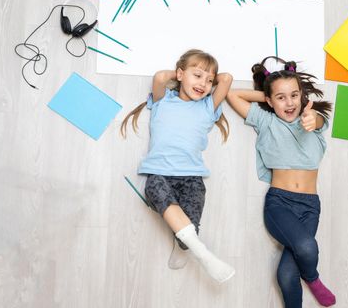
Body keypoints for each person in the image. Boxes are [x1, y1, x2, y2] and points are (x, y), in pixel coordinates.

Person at [226, 56, 336, 307]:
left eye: (294, 95)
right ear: (269, 100)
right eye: (281, 97)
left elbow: (318, 121)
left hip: (310, 206)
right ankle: (313, 278)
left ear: (302, 97)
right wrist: (267, 94)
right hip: (280, 204)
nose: (289, 103)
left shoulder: (313, 120)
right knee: (307, 248)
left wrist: (311, 117)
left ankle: (303, 280)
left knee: (286, 276)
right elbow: (233, 96)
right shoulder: (266, 121)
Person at [121, 49, 235, 284]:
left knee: (185, 239)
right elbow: (161, 77)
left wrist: (199, 76)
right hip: (160, 173)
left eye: (208, 80)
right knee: (154, 189)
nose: (204, 83)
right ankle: (203, 254)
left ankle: (187, 244)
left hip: (192, 177)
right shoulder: (163, 101)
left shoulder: (207, 107)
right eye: (198, 75)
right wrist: (182, 75)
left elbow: (227, 79)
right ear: (181, 73)